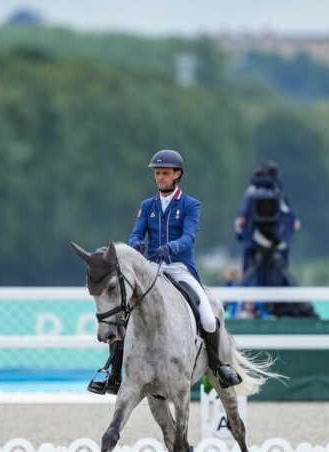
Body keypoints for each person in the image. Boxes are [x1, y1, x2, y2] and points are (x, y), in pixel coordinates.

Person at [87, 149, 242, 395]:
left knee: (208, 316)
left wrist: (171, 246)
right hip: (151, 269)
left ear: (177, 175)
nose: (160, 178)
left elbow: (189, 236)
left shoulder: (191, 205)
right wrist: (136, 245)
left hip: (180, 268)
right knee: (122, 317)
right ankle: (113, 374)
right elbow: (137, 233)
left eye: (165, 173)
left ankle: (218, 365)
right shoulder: (147, 206)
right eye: (157, 173)